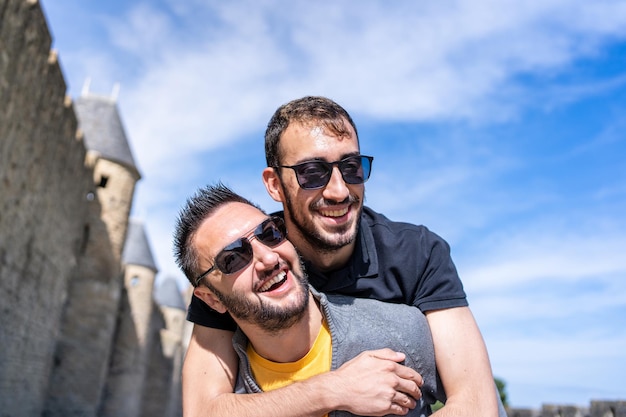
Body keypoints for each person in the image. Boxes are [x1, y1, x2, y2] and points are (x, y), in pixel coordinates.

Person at [182, 96, 504, 416]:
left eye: (351, 168)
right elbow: (201, 410)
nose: (339, 191)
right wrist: (333, 389)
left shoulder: (417, 252)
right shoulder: (244, 261)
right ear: (275, 185)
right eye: (312, 172)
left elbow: (476, 403)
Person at [174, 183, 447, 416]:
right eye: (233, 258)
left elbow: (479, 401)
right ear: (211, 299)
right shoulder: (227, 393)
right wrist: (333, 389)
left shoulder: (398, 333)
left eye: (269, 234)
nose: (269, 258)